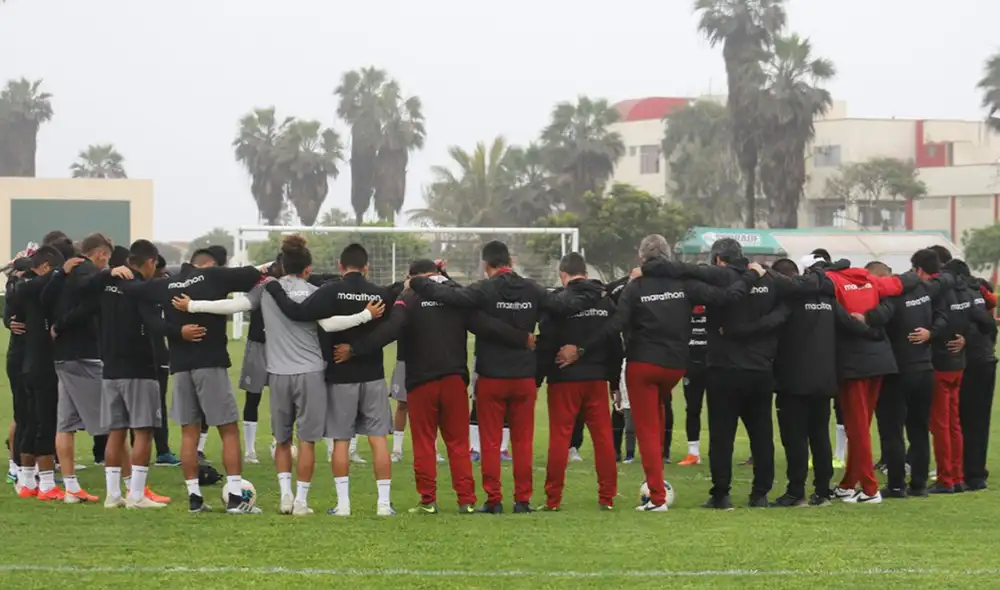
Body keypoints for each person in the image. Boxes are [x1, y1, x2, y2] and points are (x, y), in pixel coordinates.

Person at [561, 235, 763, 511]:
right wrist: (751, 275)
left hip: (643, 365)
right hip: (675, 367)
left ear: (642, 259)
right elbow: (728, 298)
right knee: (656, 418)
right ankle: (655, 479)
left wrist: (581, 348)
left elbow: (615, 325)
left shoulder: (635, 287)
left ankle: (657, 497)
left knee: (646, 430)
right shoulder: (685, 284)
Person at [408, 241, 601, 514]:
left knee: (490, 441)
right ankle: (522, 500)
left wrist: (418, 283)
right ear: (509, 261)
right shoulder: (532, 288)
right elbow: (563, 305)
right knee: (522, 441)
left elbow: (453, 297)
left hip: (492, 376)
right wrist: (595, 290)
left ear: (486, 264)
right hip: (523, 375)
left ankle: (494, 500)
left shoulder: (484, 289)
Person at [337, 258, 531, 514]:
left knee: (425, 442)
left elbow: (390, 330)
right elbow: (486, 326)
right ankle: (467, 500)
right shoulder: (455, 295)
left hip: (422, 381)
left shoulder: (410, 296)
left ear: (413, 276)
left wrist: (355, 349)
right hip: (454, 379)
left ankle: (428, 501)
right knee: (458, 442)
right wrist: (521, 338)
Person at [113, 247, 265, 514]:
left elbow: (130, 289)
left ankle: (194, 498)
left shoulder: (166, 283)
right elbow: (259, 272)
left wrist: (113, 272)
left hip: (180, 367)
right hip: (211, 363)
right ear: (208, 265)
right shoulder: (215, 276)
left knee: (188, 433)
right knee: (228, 429)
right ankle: (236, 498)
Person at [263, 243, 397, 517]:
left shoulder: (330, 291)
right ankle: (383, 505)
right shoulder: (378, 294)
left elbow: (305, 316)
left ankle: (344, 505)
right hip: (373, 375)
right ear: (367, 266)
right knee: (378, 439)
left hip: (339, 375)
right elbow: (390, 328)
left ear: (340, 266)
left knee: (341, 440)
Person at [769, 257, 879, 507]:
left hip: (793, 379)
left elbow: (773, 324)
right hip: (825, 378)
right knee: (820, 435)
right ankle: (822, 489)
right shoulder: (829, 300)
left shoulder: (790, 300)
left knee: (795, 437)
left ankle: (796, 491)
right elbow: (851, 324)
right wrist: (876, 332)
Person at [97, 240, 181, 509]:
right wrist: (180, 332)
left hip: (110, 369)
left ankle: (112, 495)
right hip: (139, 368)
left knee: (116, 432)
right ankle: (135, 495)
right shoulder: (140, 290)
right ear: (150, 262)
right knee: (143, 430)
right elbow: (155, 325)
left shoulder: (108, 286)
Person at [535, 253, 622, 511]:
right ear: (586, 272)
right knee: (603, 439)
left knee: (560, 439)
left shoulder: (558, 302)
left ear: (563, 275)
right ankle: (606, 498)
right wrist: (615, 382)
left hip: (564, 380)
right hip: (596, 379)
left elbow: (546, 342)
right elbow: (615, 342)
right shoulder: (605, 301)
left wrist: (538, 378)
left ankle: (553, 500)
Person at [43, 233, 113, 503]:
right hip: (82, 356)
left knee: (66, 424)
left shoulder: (65, 272)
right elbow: (88, 298)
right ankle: (125, 488)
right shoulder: (86, 270)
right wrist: (109, 276)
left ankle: (71, 488)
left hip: (63, 355)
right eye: (106, 257)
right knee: (110, 422)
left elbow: (46, 299)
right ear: (101, 254)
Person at [865, 249, 939, 498]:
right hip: (925, 368)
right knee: (918, 429)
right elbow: (943, 315)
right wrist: (932, 332)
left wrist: (862, 316)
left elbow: (879, 318)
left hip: (898, 371)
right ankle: (918, 484)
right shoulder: (924, 292)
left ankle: (896, 484)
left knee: (891, 429)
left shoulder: (893, 297)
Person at [10, 245, 65, 500]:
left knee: (31, 422)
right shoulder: (35, 288)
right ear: (44, 267)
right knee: (43, 422)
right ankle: (44, 484)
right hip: (41, 364)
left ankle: (27, 481)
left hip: (28, 363)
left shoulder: (26, 288)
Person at [952, 259, 997, 491]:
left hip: (970, 363)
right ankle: (977, 472)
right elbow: (990, 323)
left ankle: (967, 473)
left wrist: (965, 340)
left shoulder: (960, 294)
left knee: (963, 419)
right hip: (987, 360)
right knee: (979, 420)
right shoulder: (977, 289)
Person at [678, 301, 708, 466]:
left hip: (714, 363)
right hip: (691, 365)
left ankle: (716, 450)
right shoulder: (684, 304)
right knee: (692, 408)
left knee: (719, 410)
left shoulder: (715, 300)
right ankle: (693, 453)